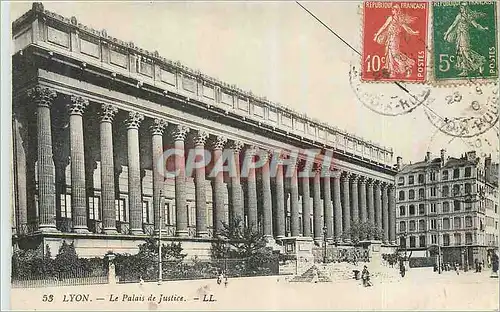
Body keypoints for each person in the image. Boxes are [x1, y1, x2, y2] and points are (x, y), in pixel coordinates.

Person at [373, 4, 420, 78]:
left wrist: (413, 32)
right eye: (392, 9)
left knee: (395, 54)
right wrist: (377, 35)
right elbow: (384, 27)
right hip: (390, 38)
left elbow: (406, 28)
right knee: (390, 54)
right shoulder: (391, 18)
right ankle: (392, 72)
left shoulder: (397, 19)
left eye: (394, 9)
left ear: (397, 11)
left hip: (395, 38)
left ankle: (407, 67)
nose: (392, 11)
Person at [443, 2, 489, 76]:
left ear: (466, 8)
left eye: (463, 7)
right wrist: (447, 34)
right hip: (459, 36)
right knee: (461, 52)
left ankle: (480, 62)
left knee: (466, 52)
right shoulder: (459, 16)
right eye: (460, 7)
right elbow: (453, 25)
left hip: (465, 36)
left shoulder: (468, 16)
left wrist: (483, 28)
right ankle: (465, 71)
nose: (461, 9)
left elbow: (476, 25)